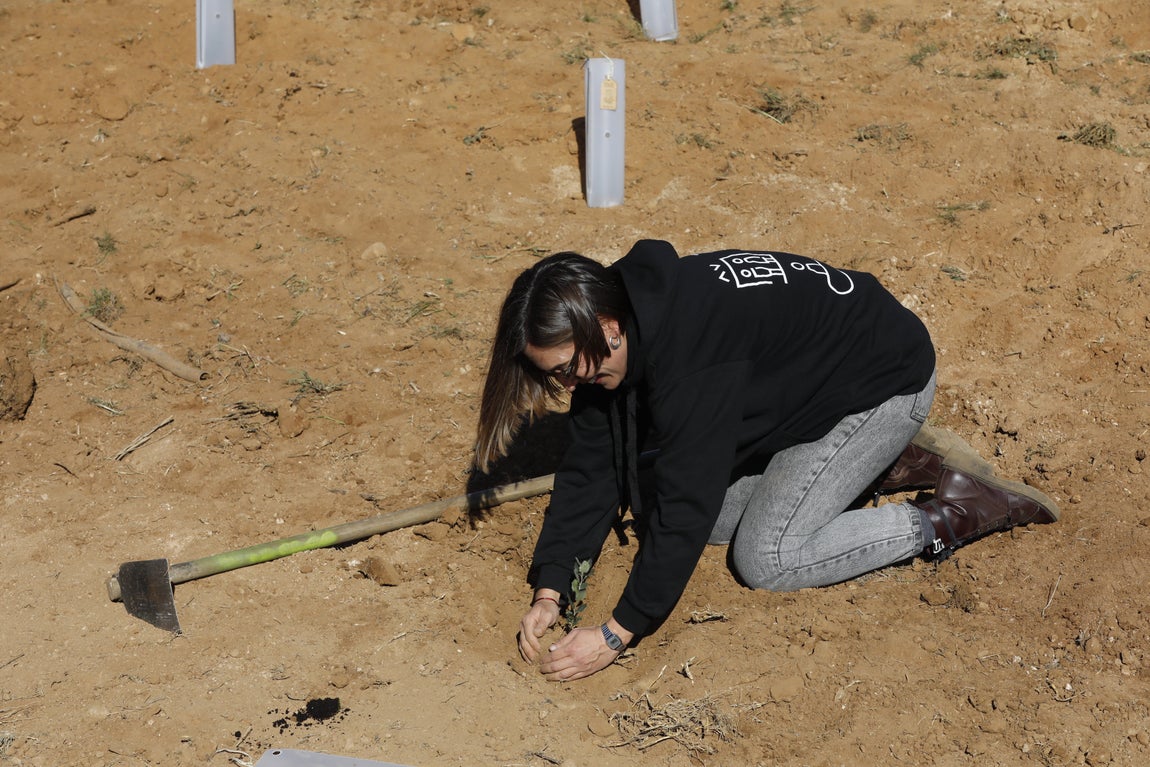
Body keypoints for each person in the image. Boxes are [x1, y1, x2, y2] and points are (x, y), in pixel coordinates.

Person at [474, 239, 1059, 682]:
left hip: (883, 385)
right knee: (686, 511)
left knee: (769, 556)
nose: (564, 383)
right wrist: (552, 588)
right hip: (809, 395)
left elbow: (687, 502)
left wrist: (616, 632)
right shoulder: (622, 325)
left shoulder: (692, 362)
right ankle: (880, 464)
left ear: (604, 324)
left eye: (563, 368)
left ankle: (957, 510)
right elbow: (593, 463)